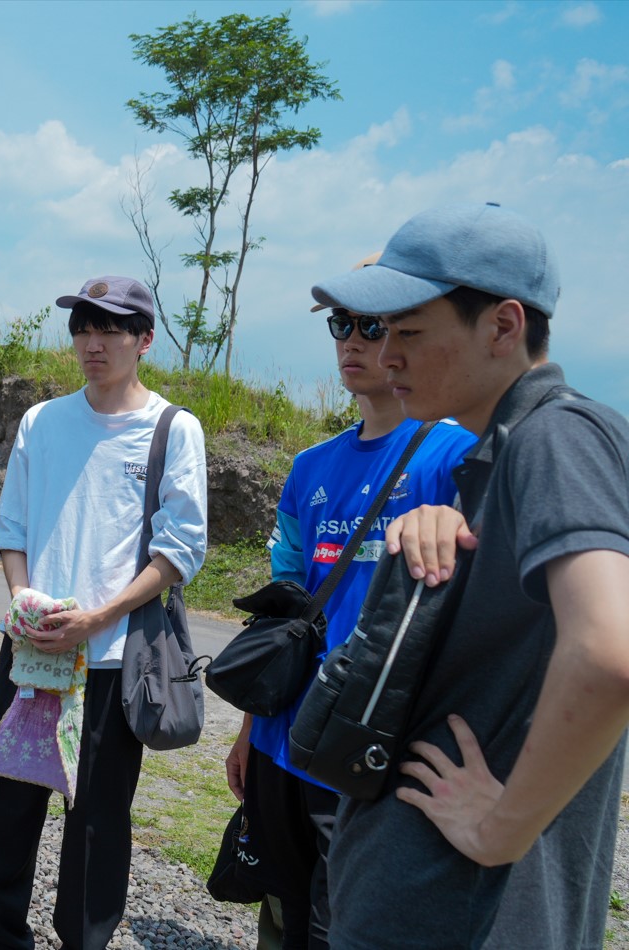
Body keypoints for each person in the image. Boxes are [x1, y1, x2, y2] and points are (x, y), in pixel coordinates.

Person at [309, 202, 629, 949]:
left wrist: (500, 826)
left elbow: (610, 652)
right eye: (380, 333)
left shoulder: (560, 436)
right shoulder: (497, 457)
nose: (387, 357)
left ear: (503, 326)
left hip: (464, 908)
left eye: (410, 333)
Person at [223, 256, 476, 950]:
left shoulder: (456, 457)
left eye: (372, 326)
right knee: (282, 912)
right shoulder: (310, 467)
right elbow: (284, 610)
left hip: (369, 747)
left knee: (349, 924)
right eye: (342, 325)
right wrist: (250, 730)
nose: (354, 343)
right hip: (285, 738)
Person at [0, 276, 208, 950]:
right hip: (34, 651)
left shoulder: (172, 428)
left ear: (145, 340)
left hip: (110, 657)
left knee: (97, 818)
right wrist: (20, 599)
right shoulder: (43, 420)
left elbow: (182, 549)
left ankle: (84, 938)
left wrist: (100, 617)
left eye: (111, 330)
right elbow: (9, 531)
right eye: (82, 328)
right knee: (9, 802)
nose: (93, 343)